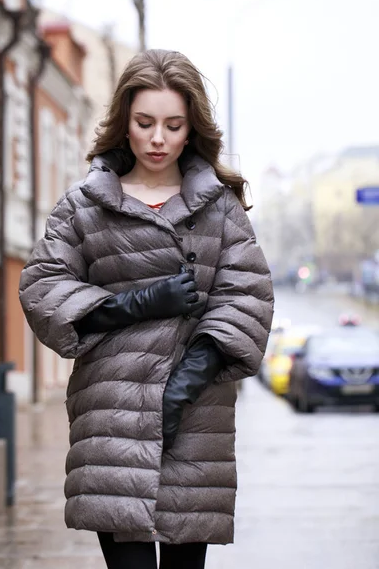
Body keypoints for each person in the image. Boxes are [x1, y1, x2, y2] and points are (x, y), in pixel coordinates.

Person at [19, 49, 274, 569]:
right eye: (145, 122)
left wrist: (185, 382)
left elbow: (247, 296)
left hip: (196, 418)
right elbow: (42, 287)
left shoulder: (219, 207)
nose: (158, 138)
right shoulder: (85, 205)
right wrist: (134, 304)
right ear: (124, 123)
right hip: (111, 416)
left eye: (173, 125)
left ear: (190, 129)